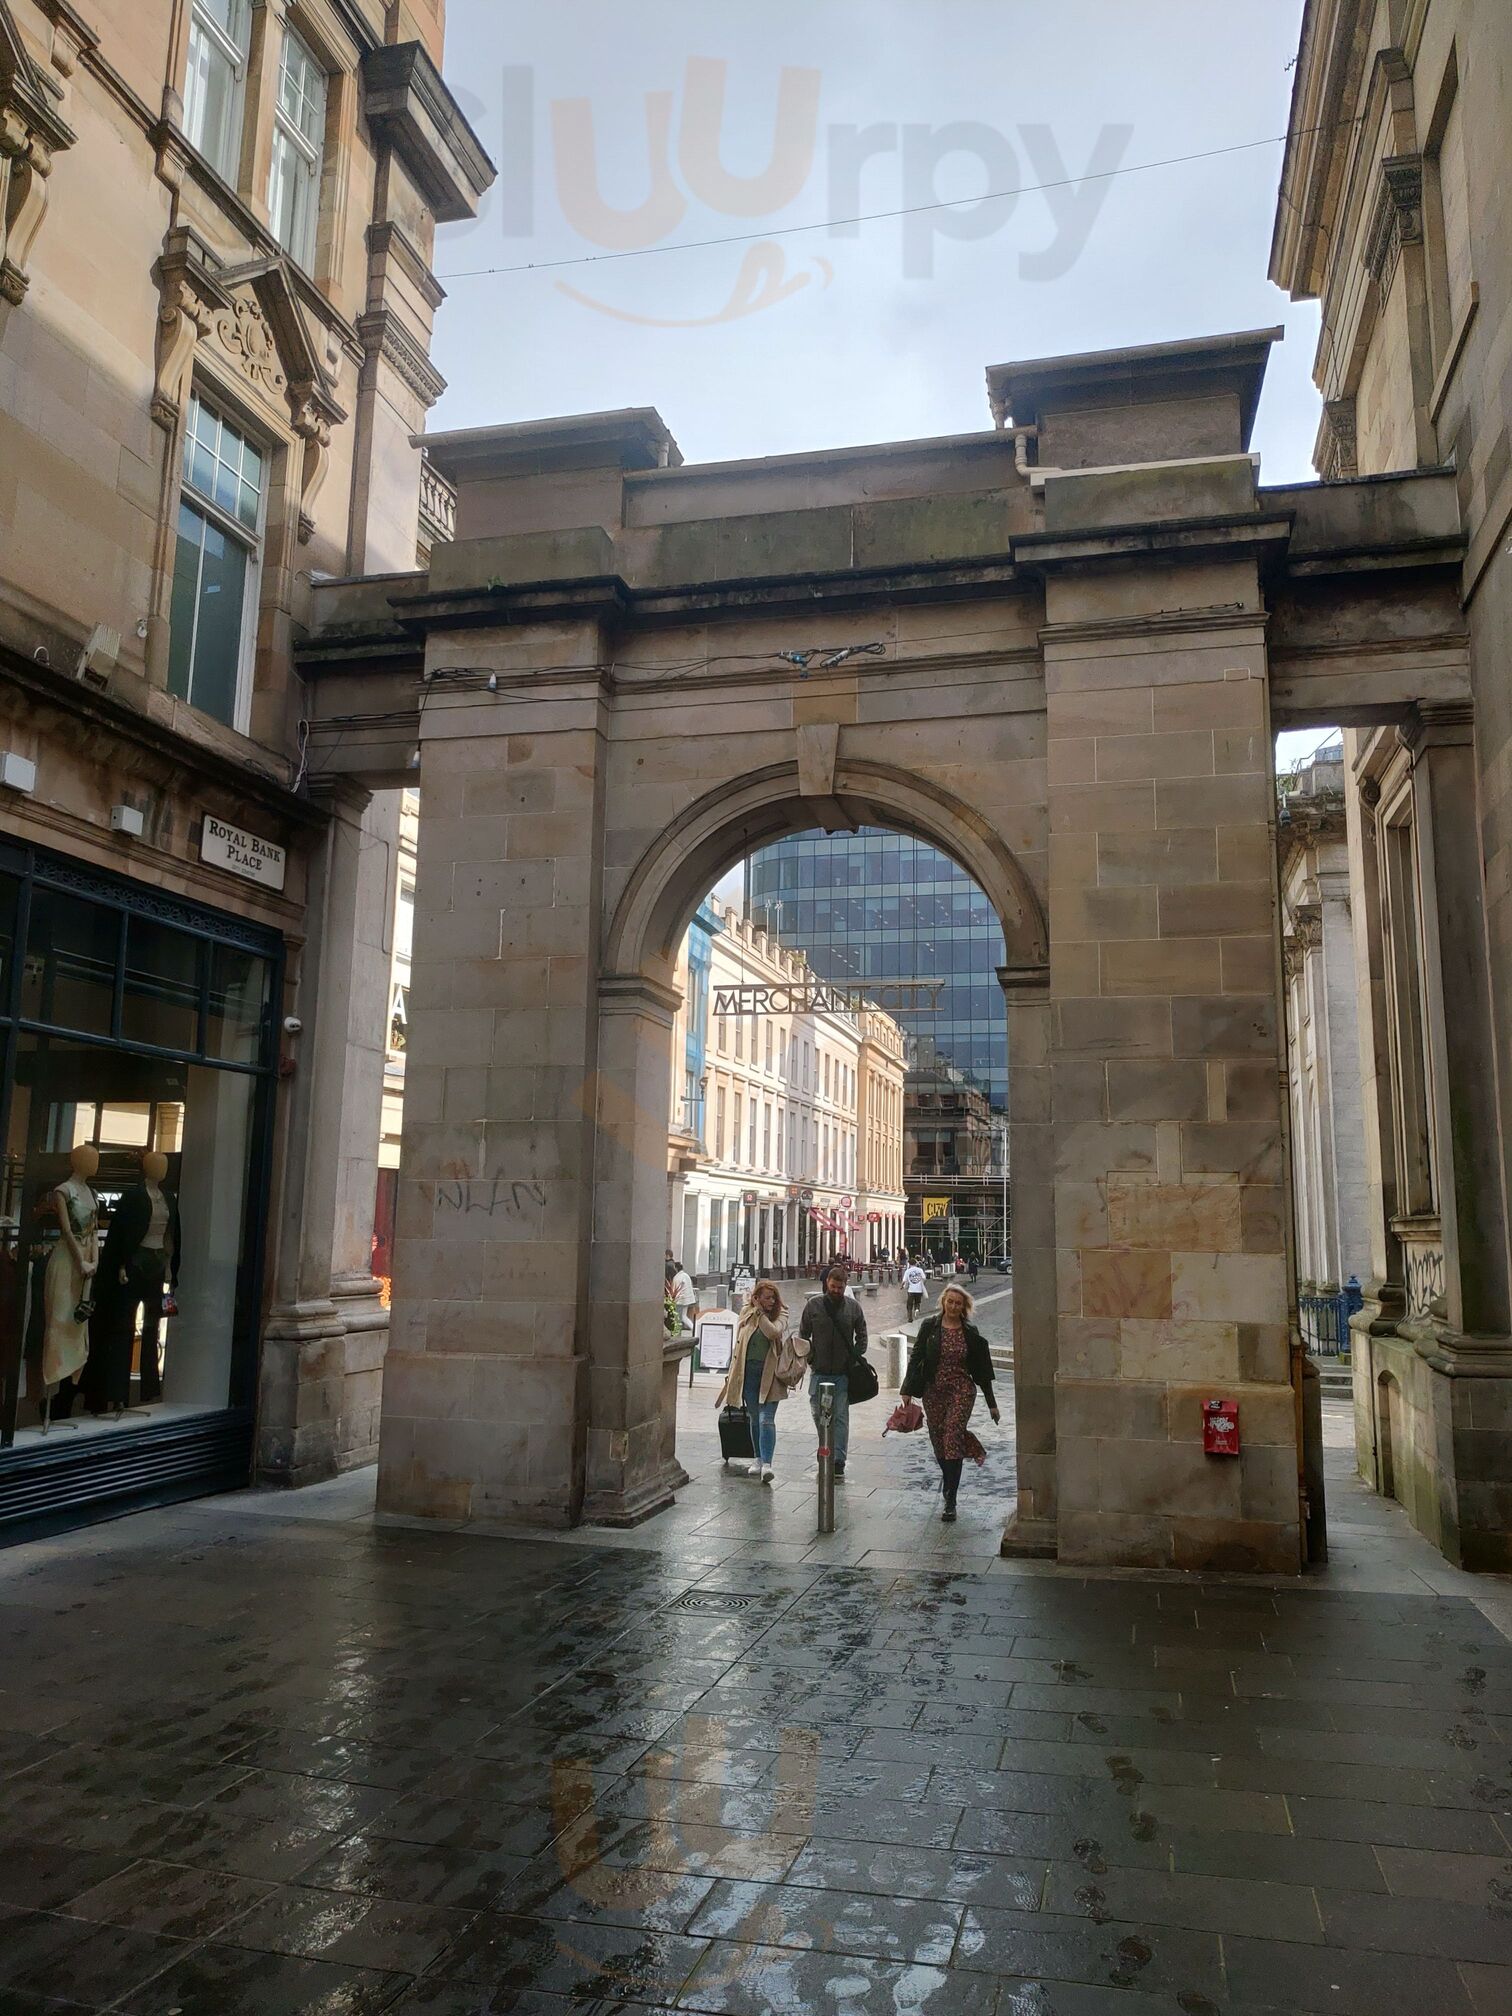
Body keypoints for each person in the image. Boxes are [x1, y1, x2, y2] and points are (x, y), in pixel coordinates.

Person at [901, 1283, 999, 1522]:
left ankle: (950, 1498)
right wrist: (907, 1390)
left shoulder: (970, 1332)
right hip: (933, 1390)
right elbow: (916, 1357)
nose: (953, 1306)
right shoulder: (930, 1326)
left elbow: (983, 1370)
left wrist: (992, 1404)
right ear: (943, 1302)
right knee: (939, 1440)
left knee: (952, 1435)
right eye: (950, 1302)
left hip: (961, 1390)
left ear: (964, 1307)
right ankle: (950, 1479)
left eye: (958, 1303)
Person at [717, 1280, 801, 1483]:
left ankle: (767, 1464)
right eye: (767, 1298)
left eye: (773, 1298)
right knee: (755, 1418)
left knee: (766, 1419)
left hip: (771, 1375)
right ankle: (757, 1458)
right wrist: (754, 1310)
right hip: (748, 1373)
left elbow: (772, 1332)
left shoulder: (781, 1313)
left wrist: (760, 1313)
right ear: (757, 1298)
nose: (771, 1301)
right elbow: (740, 1339)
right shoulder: (747, 1312)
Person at [800, 1262, 869, 1480]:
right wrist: (810, 1357)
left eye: (840, 1288)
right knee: (818, 1413)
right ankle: (825, 1447)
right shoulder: (813, 1306)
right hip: (819, 1371)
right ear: (827, 1284)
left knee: (839, 1416)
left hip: (842, 1373)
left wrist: (854, 1357)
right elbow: (803, 1336)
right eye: (833, 1287)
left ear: (845, 1286)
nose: (836, 1291)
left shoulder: (853, 1307)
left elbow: (863, 1334)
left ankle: (838, 1459)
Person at [670, 1259, 697, 1336]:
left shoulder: (677, 1278)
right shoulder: (685, 1275)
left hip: (680, 1300)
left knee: (679, 1317)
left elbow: (674, 1289)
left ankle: (692, 1329)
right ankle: (694, 1329)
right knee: (683, 1316)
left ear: (676, 1268)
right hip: (687, 1299)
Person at [903, 1255, 927, 1322]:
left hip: (911, 1290)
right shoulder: (920, 1270)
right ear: (915, 1263)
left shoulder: (907, 1271)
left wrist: (902, 1286)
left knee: (909, 1305)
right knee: (917, 1302)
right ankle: (917, 1310)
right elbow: (924, 1278)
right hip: (919, 1290)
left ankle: (910, 1318)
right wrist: (922, 1285)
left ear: (909, 1264)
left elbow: (904, 1281)